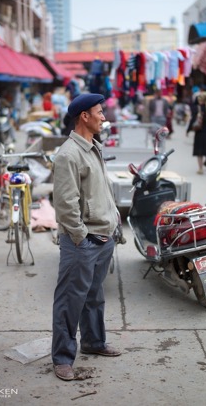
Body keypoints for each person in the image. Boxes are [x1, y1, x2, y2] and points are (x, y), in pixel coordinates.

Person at [51, 93, 121, 381]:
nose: (104, 117)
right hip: (84, 241)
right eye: (100, 112)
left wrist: (113, 222)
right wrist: (81, 237)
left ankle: (94, 342)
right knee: (70, 301)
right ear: (85, 116)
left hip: (103, 236)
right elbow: (66, 204)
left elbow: (99, 191)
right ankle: (63, 358)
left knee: (94, 296)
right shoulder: (68, 154)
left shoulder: (93, 146)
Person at [187, 90, 206, 174]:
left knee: (199, 152)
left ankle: (200, 168)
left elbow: (192, 120)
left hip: (199, 132)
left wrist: (188, 130)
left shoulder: (198, 109)